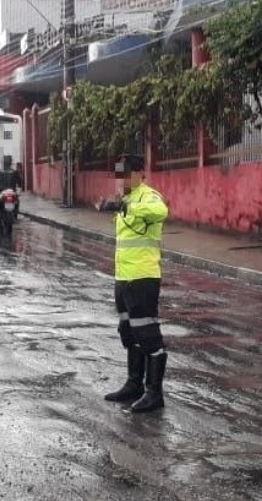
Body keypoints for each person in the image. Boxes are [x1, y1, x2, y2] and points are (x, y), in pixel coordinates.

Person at [96, 153, 169, 413]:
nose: (122, 179)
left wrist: (126, 208)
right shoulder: (125, 199)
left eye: (126, 173)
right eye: (119, 174)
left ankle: (154, 393)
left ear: (139, 173)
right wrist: (116, 205)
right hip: (123, 277)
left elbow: (161, 211)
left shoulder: (149, 196)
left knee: (148, 334)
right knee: (129, 332)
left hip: (143, 277)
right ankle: (133, 384)